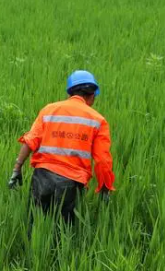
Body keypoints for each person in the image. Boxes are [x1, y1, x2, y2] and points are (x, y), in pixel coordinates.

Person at [8, 70, 115, 227]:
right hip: (71, 182)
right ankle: (60, 251)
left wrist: (17, 169)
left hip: (42, 177)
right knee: (63, 231)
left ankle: (33, 250)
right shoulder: (98, 120)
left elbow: (30, 141)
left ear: (70, 92)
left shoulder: (49, 110)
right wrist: (105, 187)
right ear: (92, 95)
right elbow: (103, 160)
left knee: (35, 225)